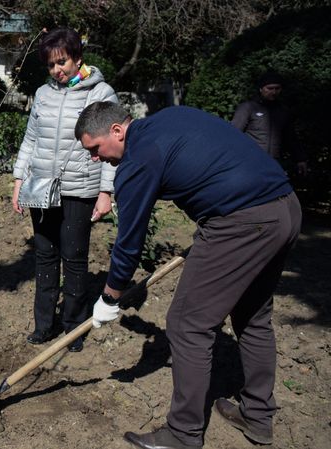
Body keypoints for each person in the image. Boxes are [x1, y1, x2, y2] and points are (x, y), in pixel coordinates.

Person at [75, 102, 301, 448]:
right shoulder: (171, 117)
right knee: (253, 317)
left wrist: (109, 297)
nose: (95, 158)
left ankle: (182, 434)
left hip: (244, 222)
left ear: (117, 131)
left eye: (95, 148)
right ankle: (258, 417)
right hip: (284, 206)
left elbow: (129, 242)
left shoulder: (137, 159)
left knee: (187, 324)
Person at [11, 28, 117, 349]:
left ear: (77, 57)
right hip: (42, 186)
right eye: (51, 65)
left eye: (63, 62)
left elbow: (113, 147)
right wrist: (19, 181)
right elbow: (31, 139)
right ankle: (44, 324)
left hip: (80, 188)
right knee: (45, 256)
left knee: (73, 257)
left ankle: (73, 326)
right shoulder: (43, 94)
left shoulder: (99, 93)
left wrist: (106, 192)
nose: (57, 70)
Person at [232, 71, 307, 177]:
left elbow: (291, 138)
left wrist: (300, 159)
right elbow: (233, 134)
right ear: (261, 89)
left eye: (277, 88)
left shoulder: (283, 111)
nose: (274, 92)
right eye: (270, 88)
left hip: (275, 164)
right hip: (250, 162)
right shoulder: (248, 108)